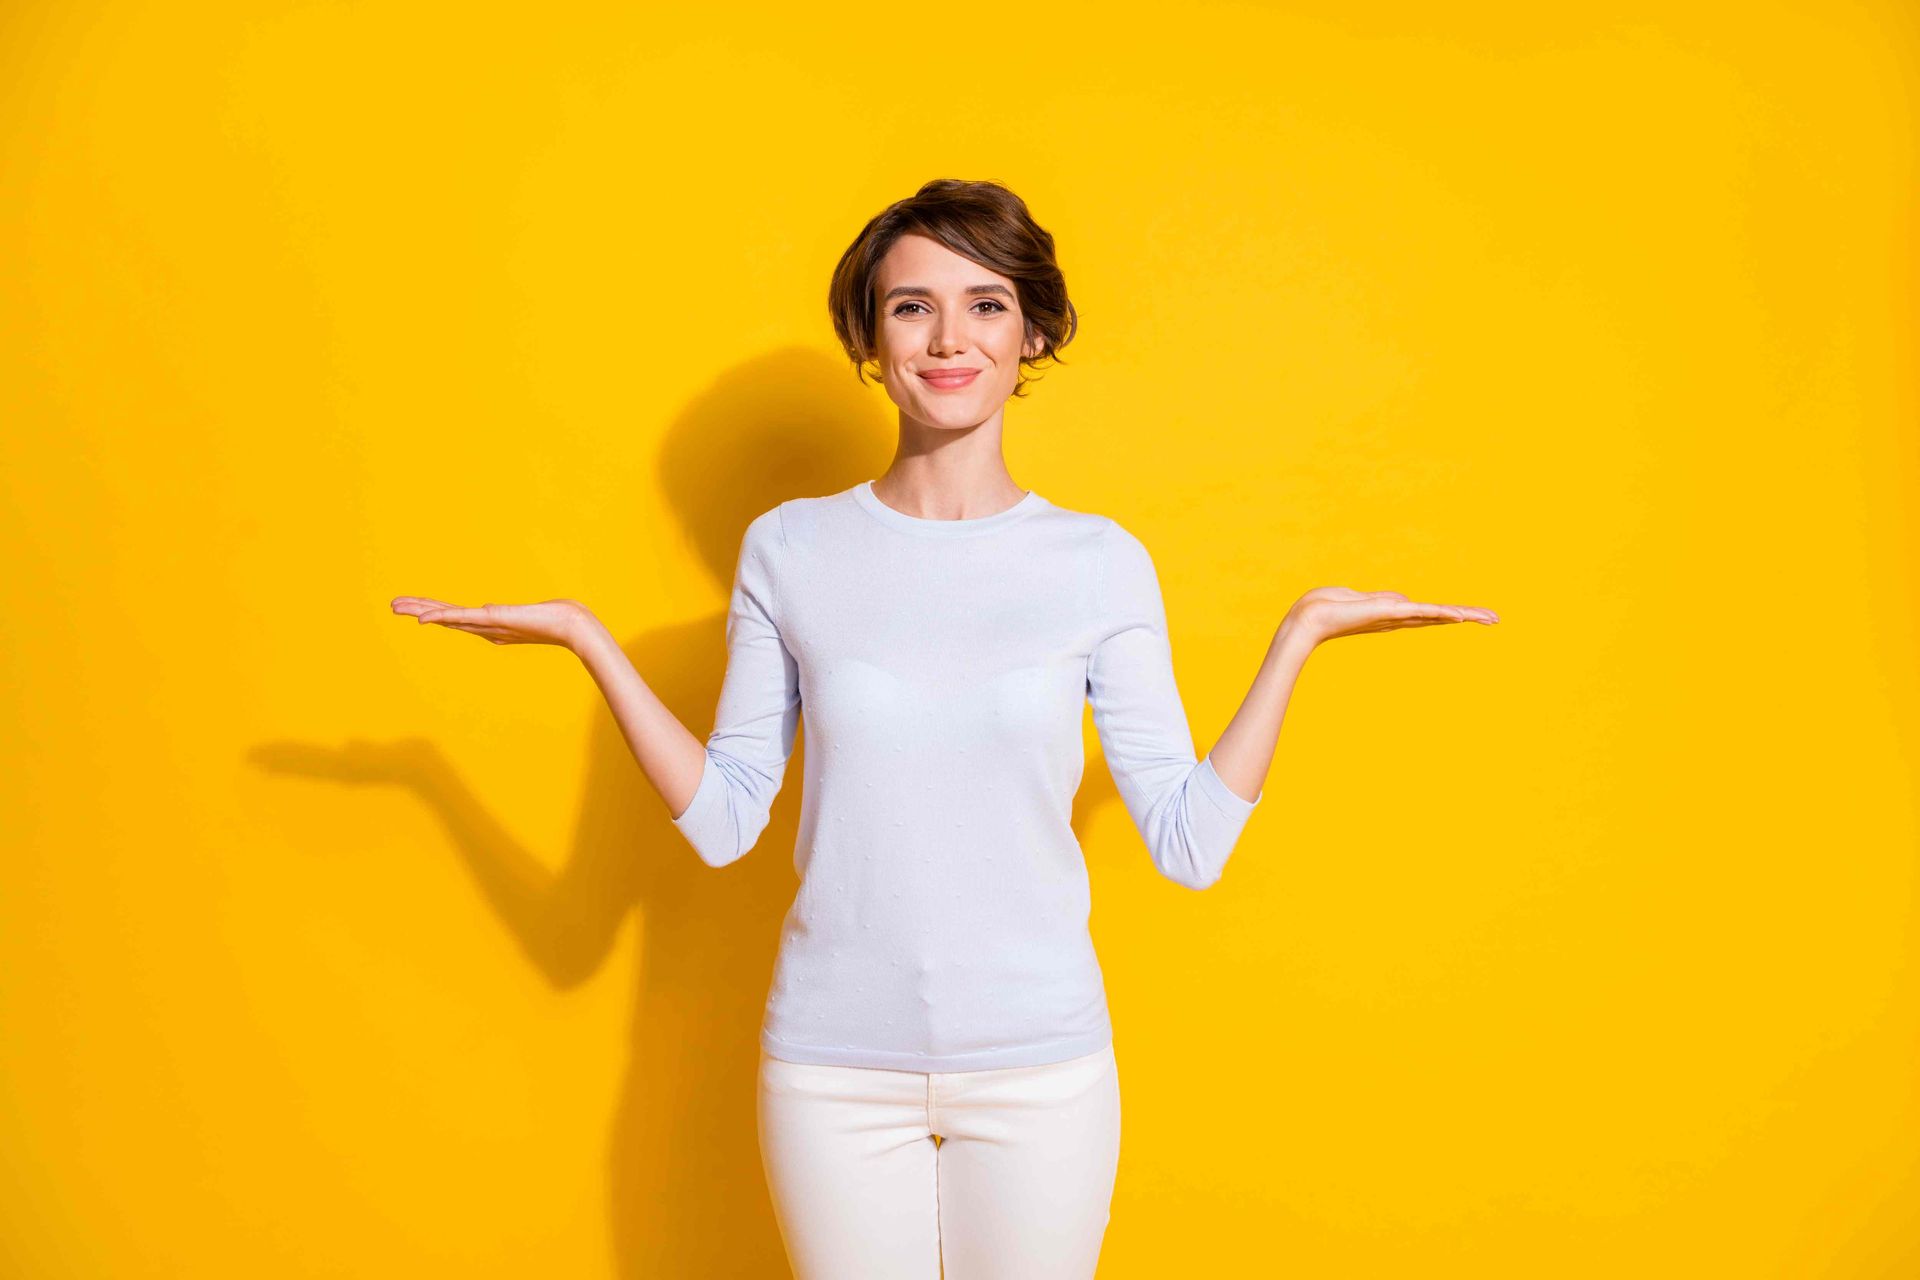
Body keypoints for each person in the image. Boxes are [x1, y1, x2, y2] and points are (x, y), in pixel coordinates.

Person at [391, 177, 1499, 1279]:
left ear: (1034, 334)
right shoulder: (790, 549)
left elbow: (1189, 840)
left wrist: (1298, 633)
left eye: (986, 303)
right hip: (831, 1070)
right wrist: (591, 639)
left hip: (1041, 1070)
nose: (948, 337)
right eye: (911, 306)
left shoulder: (1098, 561)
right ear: (872, 341)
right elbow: (728, 819)